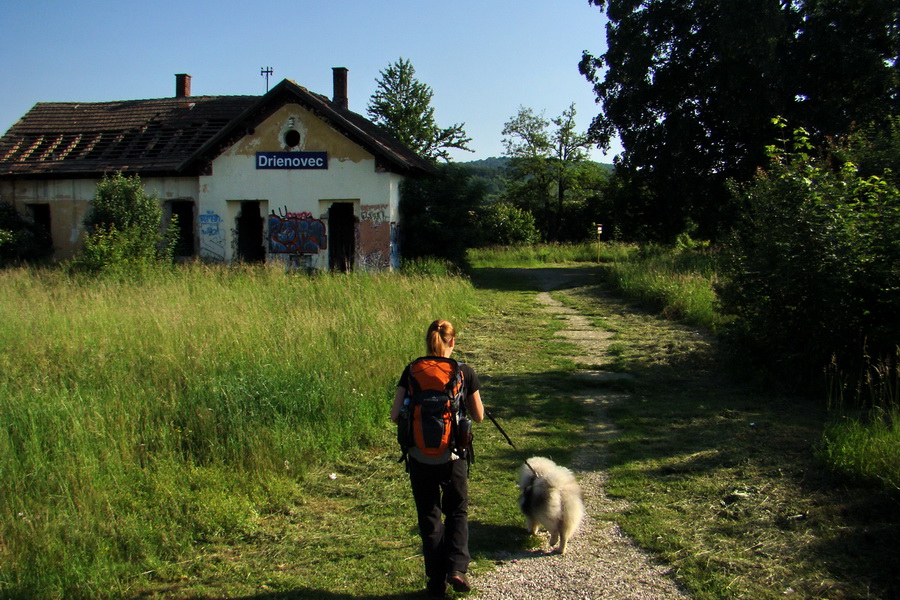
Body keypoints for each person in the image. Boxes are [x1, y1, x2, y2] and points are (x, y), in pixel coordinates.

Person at [391, 319, 485, 599]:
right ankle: (457, 569)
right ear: (452, 342)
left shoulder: (411, 371)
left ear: (428, 341)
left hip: (419, 456)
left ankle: (435, 585)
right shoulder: (463, 372)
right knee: (456, 510)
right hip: (453, 455)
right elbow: (478, 416)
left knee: (429, 516)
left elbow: (396, 414)